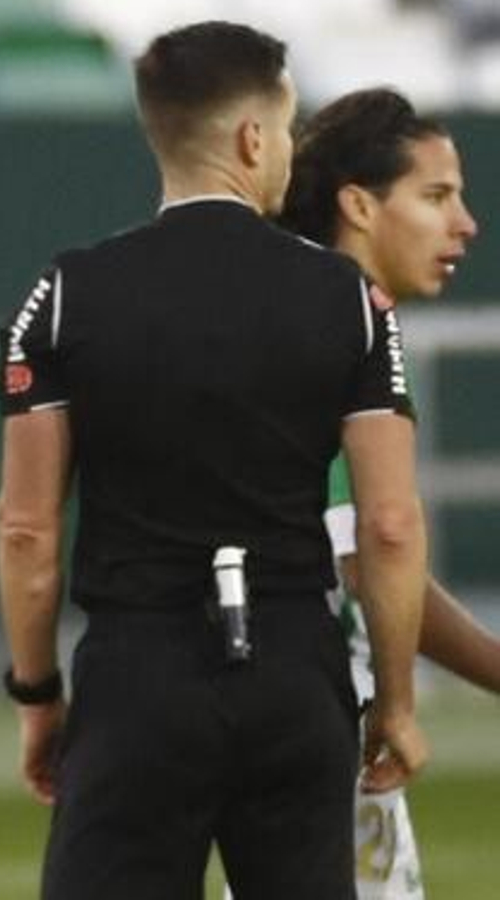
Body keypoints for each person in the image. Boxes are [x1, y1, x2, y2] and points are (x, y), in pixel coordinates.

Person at [0, 21, 429, 899]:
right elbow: (389, 524)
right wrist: (396, 700)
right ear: (251, 137)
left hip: (136, 672)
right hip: (294, 670)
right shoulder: (349, 297)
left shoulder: (67, 289)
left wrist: (37, 695)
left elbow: (27, 529)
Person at [276, 87, 495, 899]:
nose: (464, 223)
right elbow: (374, 544)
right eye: (436, 197)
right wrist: (402, 704)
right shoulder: (344, 330)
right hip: (319, 705)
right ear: (359, 206)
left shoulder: (290, 314)